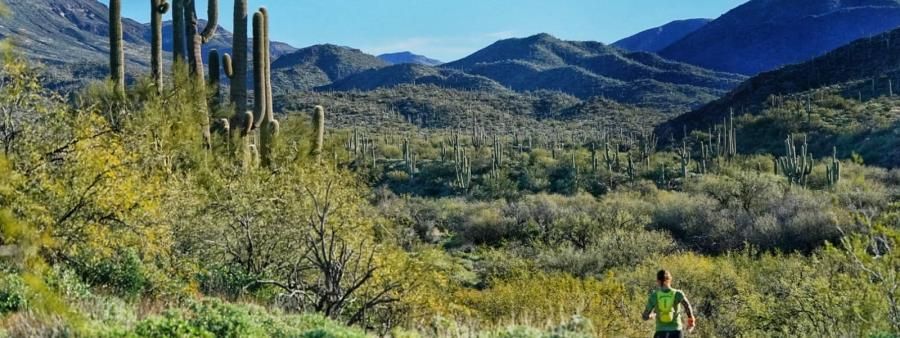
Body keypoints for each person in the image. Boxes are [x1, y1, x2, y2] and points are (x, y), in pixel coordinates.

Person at [642, 270, 696, 338]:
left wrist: (653, 315)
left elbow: (645, 316)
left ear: (658, 281)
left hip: (660, 332)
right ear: (670, 279)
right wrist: (691, 320)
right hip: (676, 332)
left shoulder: (654, 296)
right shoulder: (678, 293)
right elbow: (687, 306)